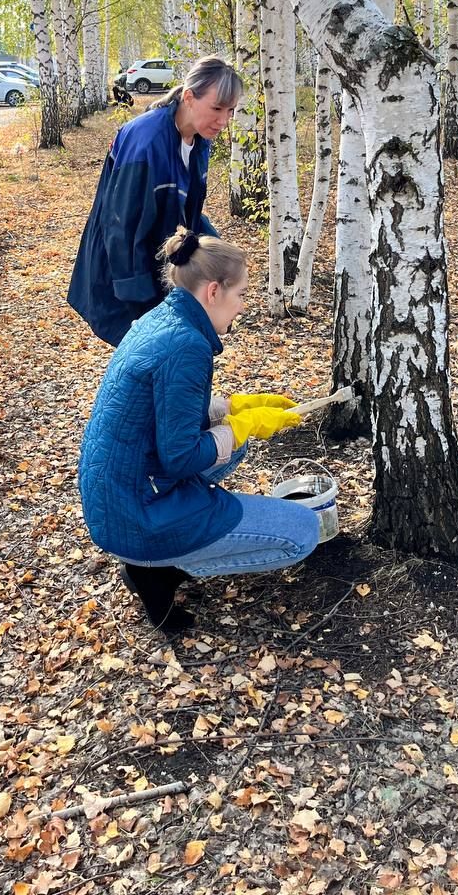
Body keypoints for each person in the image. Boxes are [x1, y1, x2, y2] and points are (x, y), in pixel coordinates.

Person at [77, 228, 320, 634]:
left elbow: (163, 413)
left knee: (232, 442)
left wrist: (234, 407)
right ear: (213, 291)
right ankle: (157, 568)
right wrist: (245, 425)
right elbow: (181, 455)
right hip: (137, 515)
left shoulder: (161, 318)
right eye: (240, 294)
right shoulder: (187, 346)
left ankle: (160, 553)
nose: (242, 307)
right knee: (303, 533)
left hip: (118, 495)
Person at [68, 55, 242, 346]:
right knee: (149, 355)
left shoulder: (198, 141)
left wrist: (220, 252)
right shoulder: (145, 140)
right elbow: (119, 226)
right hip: (123, 271)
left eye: (231, 110)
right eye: (216, 108)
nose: (224, 121)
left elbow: (186, 211)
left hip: (159, 262)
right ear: (189, 97)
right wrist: (140, 303)